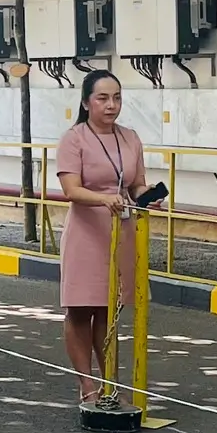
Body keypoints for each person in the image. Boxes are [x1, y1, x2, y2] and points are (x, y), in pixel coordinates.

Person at [55, 68, 148, 404]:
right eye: (103, 98)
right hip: (86, 230)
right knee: (81, 309)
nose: (111, 105)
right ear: (86, 102)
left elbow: (136, 183)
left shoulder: (130, 137)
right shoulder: (74, 138)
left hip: (119, 230)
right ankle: (87, 386)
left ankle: (112, 384)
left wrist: (148, 195)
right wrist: (105, 198)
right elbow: (71, 189)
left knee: (109, 311)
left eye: (117, 98)